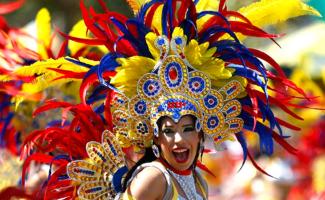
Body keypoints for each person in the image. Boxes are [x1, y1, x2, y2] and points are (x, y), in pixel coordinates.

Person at [0, 0, 320, 200]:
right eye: (168, 130)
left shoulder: (195, 179)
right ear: (155, 138)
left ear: (201, 132)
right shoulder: (154, 177)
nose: (178, 139)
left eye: (187, 128)